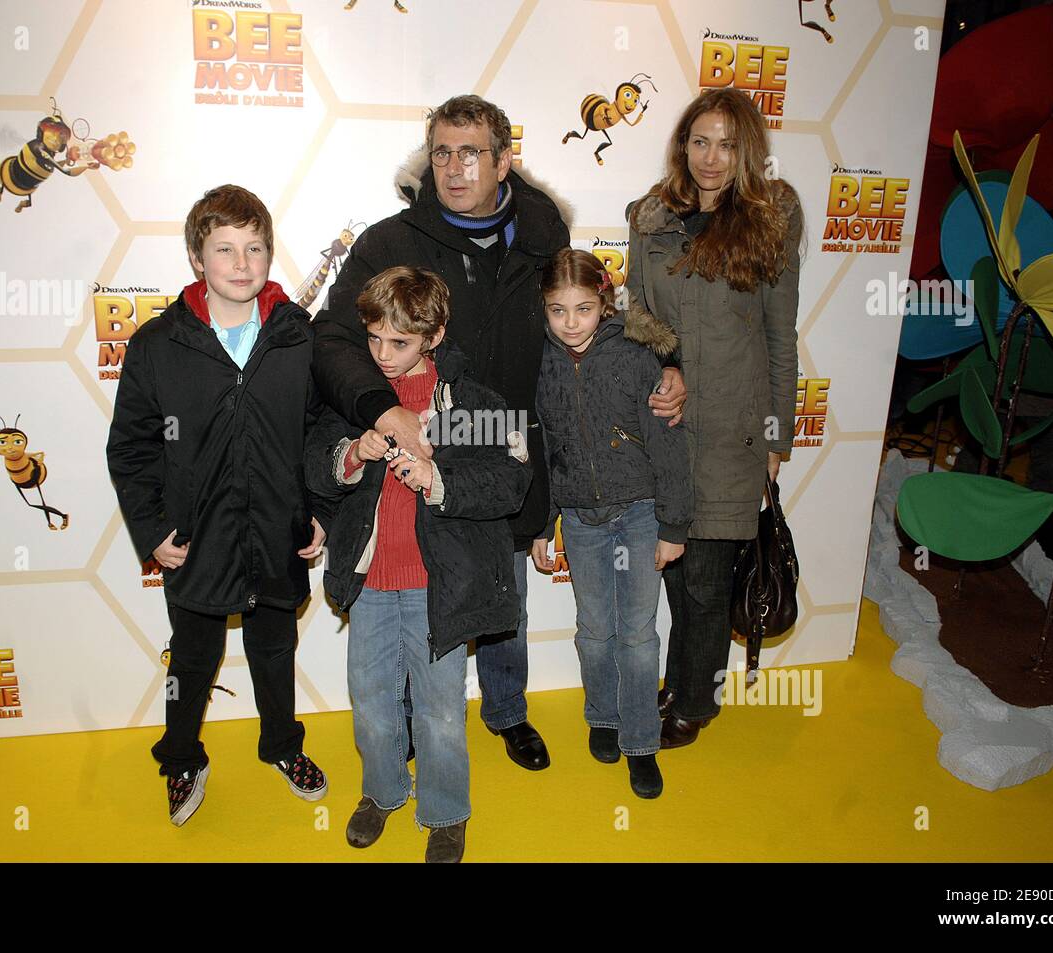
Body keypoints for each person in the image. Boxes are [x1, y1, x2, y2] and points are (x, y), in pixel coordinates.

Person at [311, 94, 687, 770]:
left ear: (503, 160)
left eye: (471, 153)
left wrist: (666, 362)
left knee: (502, 584)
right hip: (419, 432)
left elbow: (590, 313)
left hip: (507, 435)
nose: (454, 168)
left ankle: (508, 711)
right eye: (443, 153)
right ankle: (404, 726)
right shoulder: (389, 241)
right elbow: (332, 337)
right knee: (413, 584)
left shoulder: (543, 234)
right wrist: (379, 407)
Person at [106, 184, 329, 826]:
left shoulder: (297, 337)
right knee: (193, 657)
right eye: (224, 248)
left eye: (254, 247)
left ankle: (282, 746)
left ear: (268, 254)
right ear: (197, 258)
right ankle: (181, 758)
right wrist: (151, 530)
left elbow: (318, 429)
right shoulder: (158, 344)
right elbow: (132, 448)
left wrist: (319, 509)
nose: (241, 261)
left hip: (278, 532)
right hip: (194, 542)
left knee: (274, 647)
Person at [306, 266, 530, 862]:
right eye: (373, 338)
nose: (381, 354)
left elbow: (511, 483)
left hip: (442, 587)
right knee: (373, 702)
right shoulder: (354, 397)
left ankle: (447, 813)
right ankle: (382, 792)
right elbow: (313, 464)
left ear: (434, 335)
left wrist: (438, 479)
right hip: (371, 582)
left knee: (439, 712)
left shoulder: (473, 402)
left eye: (399, 342)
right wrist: (351, 454)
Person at [625, 89, 803, 748]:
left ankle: (694, 702)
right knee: (673, 568)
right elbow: (638, 319)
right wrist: (655, 382)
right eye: (700, 141)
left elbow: (781, 333)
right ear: (682, 144)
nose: (712, 157)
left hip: (734, 425)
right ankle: (679, 678)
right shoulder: (652, 219)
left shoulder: (771, 217)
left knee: (704, 578)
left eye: (727, 144)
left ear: (747, 150)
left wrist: (779, 432)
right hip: (667, 424)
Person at [530, 249, 690, 798]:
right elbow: (546, 451)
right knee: (595, 629)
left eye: (582, 308)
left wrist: (674, 526)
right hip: (579, 518)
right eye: (557, 310)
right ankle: (602, 715)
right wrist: (541, 524)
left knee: (639, 635)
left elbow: (669, 447)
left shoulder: (636, 358)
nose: (570, 323)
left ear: (604, 303)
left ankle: (642, 742)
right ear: (544, 310)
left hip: (641, 514)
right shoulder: (542, 363)